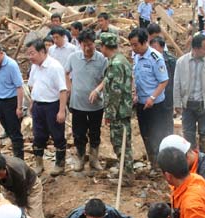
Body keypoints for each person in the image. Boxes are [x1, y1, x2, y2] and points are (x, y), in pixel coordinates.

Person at [65, 29, 108, 172]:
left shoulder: (102, 59)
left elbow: (106, 78)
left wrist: (97, 90)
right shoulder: (73, 58)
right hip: (77, 104)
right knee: (79, 133)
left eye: (90, 45)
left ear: (94, 43)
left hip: (96, 105)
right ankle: (81, 158)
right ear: (79, 44)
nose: (87, 48)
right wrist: (69, 88)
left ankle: (94, 159)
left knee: (95, 133)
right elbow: (66, 72)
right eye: (84, 45)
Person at [95, 32, 134, 180]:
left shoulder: (116, 65)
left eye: (101, 46)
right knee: (122, 141)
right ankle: (125, 170)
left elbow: (115, 92)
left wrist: (110, 114)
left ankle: (127, 175)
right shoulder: (120, 60)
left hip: (118, 112)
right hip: (122, 110)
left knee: (120, 143)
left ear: (105, 47)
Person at [26, 39, 68, 176]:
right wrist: (32, 103)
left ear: (42, 51)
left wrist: (61, 111)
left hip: (52, 106)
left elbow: (63, 90)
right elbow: (33, 85)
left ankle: (60, 164)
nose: (30, 57)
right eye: (28, 54)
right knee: (38, 135)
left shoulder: (55, 67)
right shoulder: (34, 67)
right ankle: (39, 164)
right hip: (38, 106)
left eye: (32, 53)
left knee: (57, 136)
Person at [129, 28, 169, 166]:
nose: (133, 48)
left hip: (155, 104)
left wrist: (152, 97)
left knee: (156, 134)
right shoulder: (136, 57)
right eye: (132, 45)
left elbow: (164, 81)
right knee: (145, 133)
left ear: (145, 42)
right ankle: (152, 162)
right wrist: (135, 94)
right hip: (141, 102)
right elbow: (136, 77)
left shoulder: (155, 58)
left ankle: (160, 164)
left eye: (136, 45)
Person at [173, 34, 205, 151]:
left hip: (204, 104)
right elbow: (176, 84)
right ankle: (191, 157)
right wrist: (177, 103)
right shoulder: (181, 62)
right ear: (196, 49)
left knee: (204, 132)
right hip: (188, 104)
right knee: (188, 133)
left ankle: (203, 157)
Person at [0, 152, 47, 218]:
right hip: (9, 187)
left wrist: (21, 212)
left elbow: (21, 198)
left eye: (0, 175)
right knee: (9, 213)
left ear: (5, 168)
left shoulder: (18, 173)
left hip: (31, 187)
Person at [149, 36, 176, 136]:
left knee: (167, 119)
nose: (153, 50)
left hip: (168, 94)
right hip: (155, 95)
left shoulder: (171, 60)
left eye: (155, 47)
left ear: (162, 47)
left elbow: (175, 79)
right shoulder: (149, 59)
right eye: (151, 47)